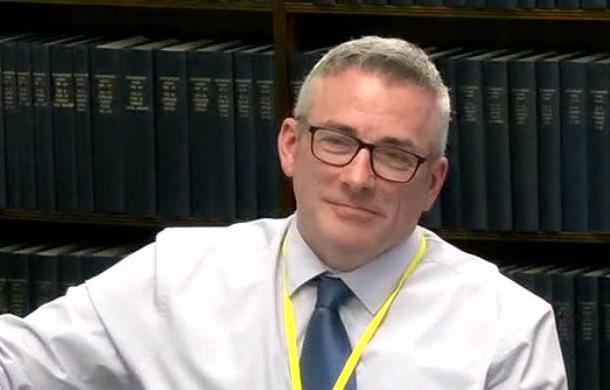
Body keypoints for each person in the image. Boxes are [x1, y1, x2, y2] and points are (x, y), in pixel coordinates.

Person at [0, 36, 567, 389]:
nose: (357, 176)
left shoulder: (506, 329)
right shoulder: (175, 276)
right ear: (291, 145)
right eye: (337, 140)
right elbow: (19, 365)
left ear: (433, 182)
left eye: (395, 155)